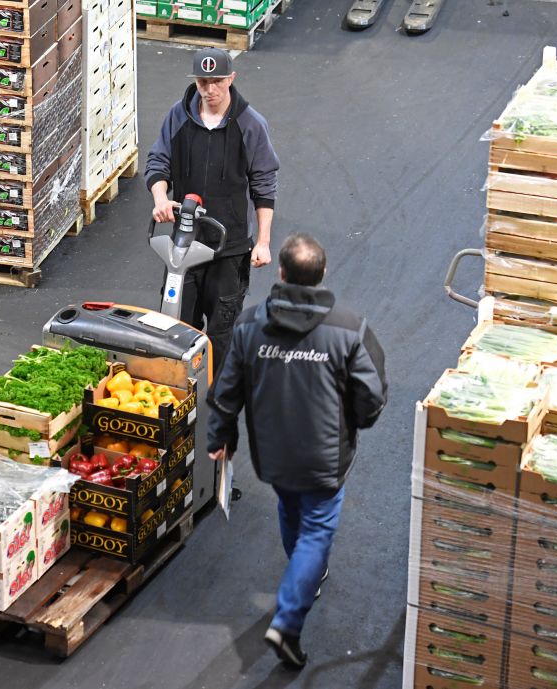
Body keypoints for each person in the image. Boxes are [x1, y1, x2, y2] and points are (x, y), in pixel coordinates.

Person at [206, 234, 387, 669]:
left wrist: (221, 437)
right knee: (317, 531)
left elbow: (225, 390)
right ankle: (288, 620)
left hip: (273, 454)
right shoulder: (349, 327)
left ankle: (306, 574)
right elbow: (373, 394)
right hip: (326, 458)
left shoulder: (249, 325)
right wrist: (356, 424)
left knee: (290, 508)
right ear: (322, 275)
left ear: (282, 274)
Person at [145, 47, 280, 374]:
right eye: (204, 81)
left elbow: (264, 185)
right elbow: (158, 162)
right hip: (184, 246)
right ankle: (176, 391)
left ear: (231, 79)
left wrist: (262, 242)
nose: (210, 89)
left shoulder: (250, 124)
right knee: (176, 325)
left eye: (217, 81)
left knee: (222, 332)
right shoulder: (178, 116)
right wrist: (160, 198)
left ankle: (218, 399)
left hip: (228, 249)